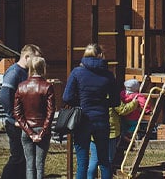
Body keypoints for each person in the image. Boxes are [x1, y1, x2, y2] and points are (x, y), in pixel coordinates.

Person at [63, 43, 121, 179]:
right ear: (101, 55)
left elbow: (67, 97)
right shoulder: (108, 75)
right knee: (104, 161)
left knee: (82, 162)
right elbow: (115, 101)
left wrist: (80, 102)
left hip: (82, 118)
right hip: (101, 119)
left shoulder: (77, 72)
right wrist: (102, 103)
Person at [0, 45, 43, 179]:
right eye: (35, 58)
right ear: (27, 57)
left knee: (25, 158)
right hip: (16, 123)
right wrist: (14, 117)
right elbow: (4, 96)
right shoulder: (14, 72)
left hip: (25, 121)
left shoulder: (25, 72)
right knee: (18, 157)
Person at [14, 56, 55, 179]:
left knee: (30, 164)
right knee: (39, 164)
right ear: (43, 68)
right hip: (42, 126)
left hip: (27, 129)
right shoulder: (47, 86)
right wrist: (43, 132)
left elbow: (17, 112)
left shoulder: (21, 86)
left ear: (30, 68)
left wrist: (30, 132)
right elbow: (51, 111)